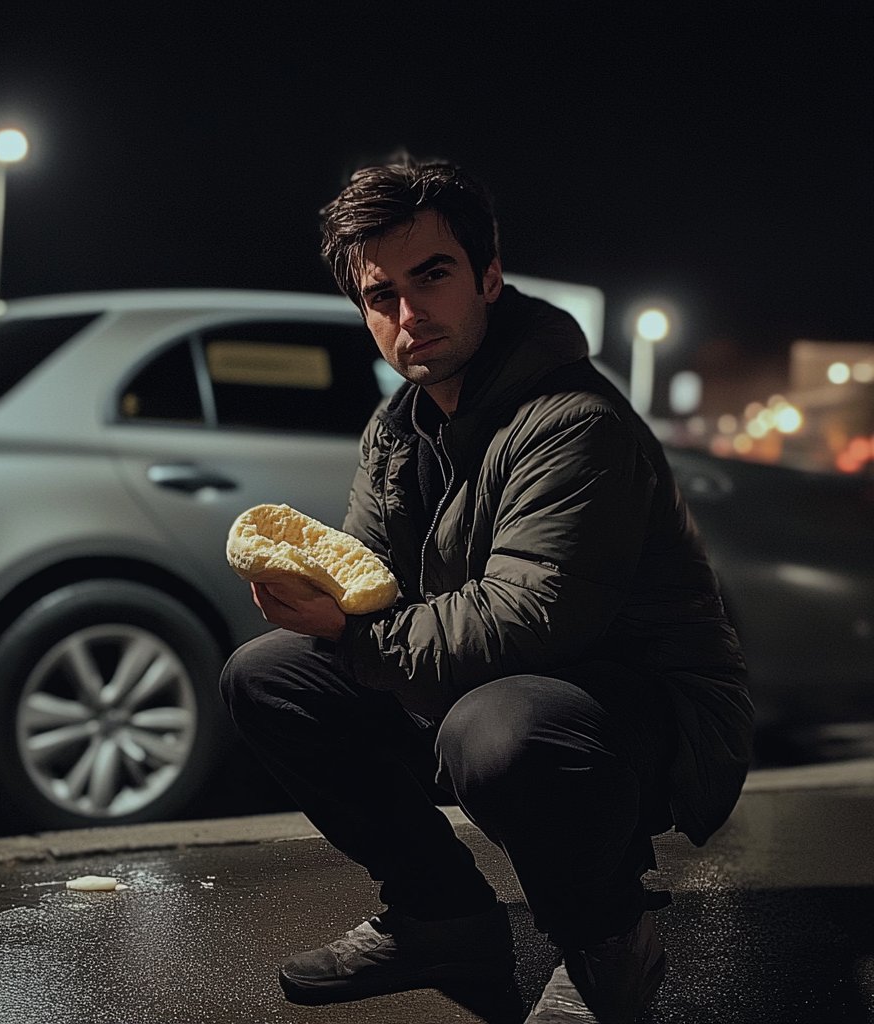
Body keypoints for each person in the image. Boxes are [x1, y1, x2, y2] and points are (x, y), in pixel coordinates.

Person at [220, 153, 754, 1023]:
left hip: (644, 709)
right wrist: (317, 607)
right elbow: (367, 582)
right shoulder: (397, 427)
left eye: (432, 277)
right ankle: (442, 917)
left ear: (489, 276)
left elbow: (532, 614)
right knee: (268, 672)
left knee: (499, 729)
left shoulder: (575, 421)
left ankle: (609, 941)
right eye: (380, 295)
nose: (408, 314)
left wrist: (356, 636)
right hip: (492, 678)